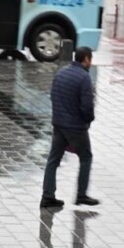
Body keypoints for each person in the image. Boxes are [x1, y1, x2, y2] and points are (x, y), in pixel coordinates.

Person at [40, 47, 98, 209]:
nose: (90, 63)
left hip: (59, 124)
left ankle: (47, 196)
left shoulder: (61, 73)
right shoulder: (84, 78)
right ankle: (81, 195)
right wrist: (88, 120)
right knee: (86, 157)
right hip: (75, 127)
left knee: (53, 160)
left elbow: (53, 95)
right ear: (85, 59)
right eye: (90, 60)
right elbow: (87, 106)